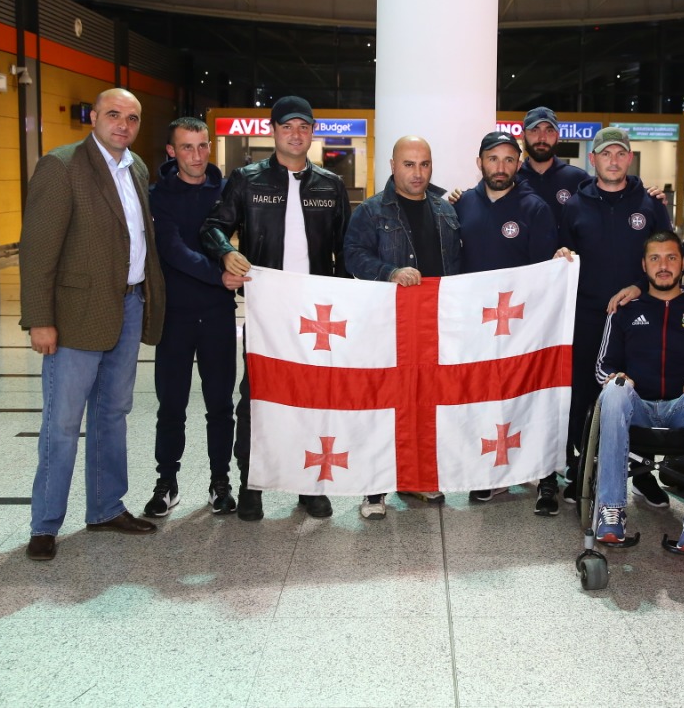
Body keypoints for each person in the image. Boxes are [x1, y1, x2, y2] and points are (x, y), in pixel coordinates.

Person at [19, 87, 165, 561]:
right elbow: (38, 250)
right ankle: (45, 524)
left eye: (132, 117)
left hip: (128, 306)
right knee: (62, 421)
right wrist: (40, 320)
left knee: (112, 413)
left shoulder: (136, 167)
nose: (123, 124)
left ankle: (105, 508)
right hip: (75, 315)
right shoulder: (61, 166)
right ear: (94, 117)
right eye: (113, 114)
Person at [200, 95, 351, 522]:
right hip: (267, 310)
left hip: (317, 316)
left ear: (312, 132)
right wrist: (226, 253)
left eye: (304, 126)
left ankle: (309, 486)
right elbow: (212, 227)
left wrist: (352, 295)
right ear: (273, 131)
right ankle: (252, 484)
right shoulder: (247, 180)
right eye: (287, 126)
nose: (296, 134)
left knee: (312, 398)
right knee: (258, 398)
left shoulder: (330, 185)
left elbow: (346, 249)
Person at [454, 130, 572, 514]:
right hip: (479, 327)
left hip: (523, 328)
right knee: (486, 399)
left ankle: (546, 477)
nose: (500, 167)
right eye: (493, 159)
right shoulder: (461, 205)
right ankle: (493, 472)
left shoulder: (534, 208)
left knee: (531, 397)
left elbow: (544, 276)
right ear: (480, 162)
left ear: (518, 164)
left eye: (508, 159)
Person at [344, 135, 461, 519]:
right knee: (383, 405)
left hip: (431, 329)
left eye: (424, 164)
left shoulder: (445, 210)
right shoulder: (371, 211)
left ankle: (415, 479)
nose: (417, 172)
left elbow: (456, 265)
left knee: (424, 403)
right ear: (393, 166)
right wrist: (389, 272)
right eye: (409, 164)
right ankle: (374, 489)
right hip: (387, 327)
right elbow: (352, 256)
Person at [559, 127, 672, 505]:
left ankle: (641, 473)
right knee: (585, 393)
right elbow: (563, 258)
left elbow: (668, 260)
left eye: (620, 154)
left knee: (639, 392)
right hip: (588, 316)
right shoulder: (575, 206)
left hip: (639, 317)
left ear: (629, 158)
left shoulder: (650, 204)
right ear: (592, 159)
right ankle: (583, 469)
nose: (613, 160)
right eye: (605, 154)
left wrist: (640, 287)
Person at [592, 231, 684, 551]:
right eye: (655, 258)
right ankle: (611, 509)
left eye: (671, 258)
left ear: (683, 263)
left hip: (682, 407)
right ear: (644, 265)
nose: (663, 266)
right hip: (637, 405)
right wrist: (617, 378)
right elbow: (603, 367)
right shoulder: (625, 309)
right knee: (614, 390)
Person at [144, 117, 245, 519]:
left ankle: (220, 483)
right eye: (187, 147)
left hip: (218, 313)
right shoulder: (158, 196)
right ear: (172, 151)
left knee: (220, 405)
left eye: (202, 145)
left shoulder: (226, 190)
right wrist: (220, 275)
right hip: (175, 315)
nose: (197, 155)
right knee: (171, 406)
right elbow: (172, 250)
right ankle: (166, 482)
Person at [513, 107, 587, 228]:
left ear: (558, 136)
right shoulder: (512, 179)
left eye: (549, 131)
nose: (542, 138)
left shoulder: (579, 179)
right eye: (534, 130)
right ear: (523, 136)